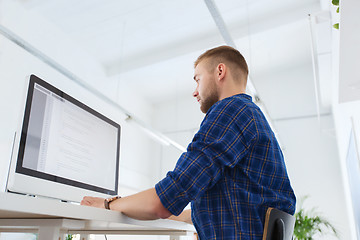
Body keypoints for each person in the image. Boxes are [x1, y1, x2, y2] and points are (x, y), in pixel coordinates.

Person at [81, 45, 296, 239]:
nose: (195, 91)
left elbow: (166, 199)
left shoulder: (229, 111)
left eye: (198, 79)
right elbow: (224, 206)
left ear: (220, 72)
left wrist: (108, 204)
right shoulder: (252, 116)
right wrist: (181, 215)